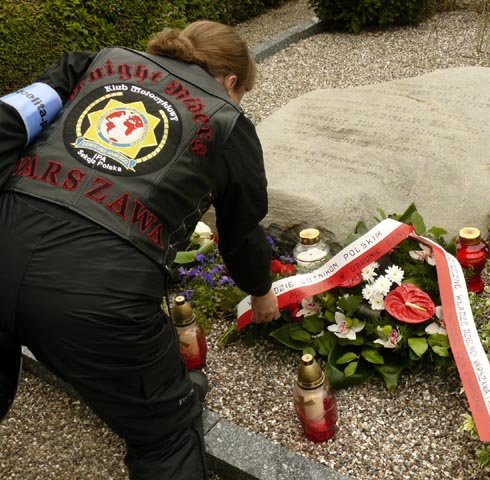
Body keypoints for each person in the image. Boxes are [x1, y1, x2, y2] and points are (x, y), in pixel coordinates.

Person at [0, 20, 281, 479]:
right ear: (232, 81)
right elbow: (241, 229)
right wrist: (261, 290)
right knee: (166, 434)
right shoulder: (227, 121)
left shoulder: (94, 62)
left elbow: (9, 121)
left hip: (6, 232)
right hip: (96, 295)